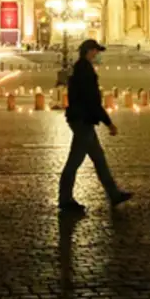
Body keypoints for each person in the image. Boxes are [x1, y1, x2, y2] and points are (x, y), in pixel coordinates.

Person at [58, 39, 132, 213]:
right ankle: (65, 199)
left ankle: (114, 194)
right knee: (74, 162)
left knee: (99, 159)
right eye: (96, 51)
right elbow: (92, 101)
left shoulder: (81, 68)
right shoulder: (85, 71)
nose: (97, 55)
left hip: (83, 119)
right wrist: (109, 123)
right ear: (89, 51)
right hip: (83, 120)